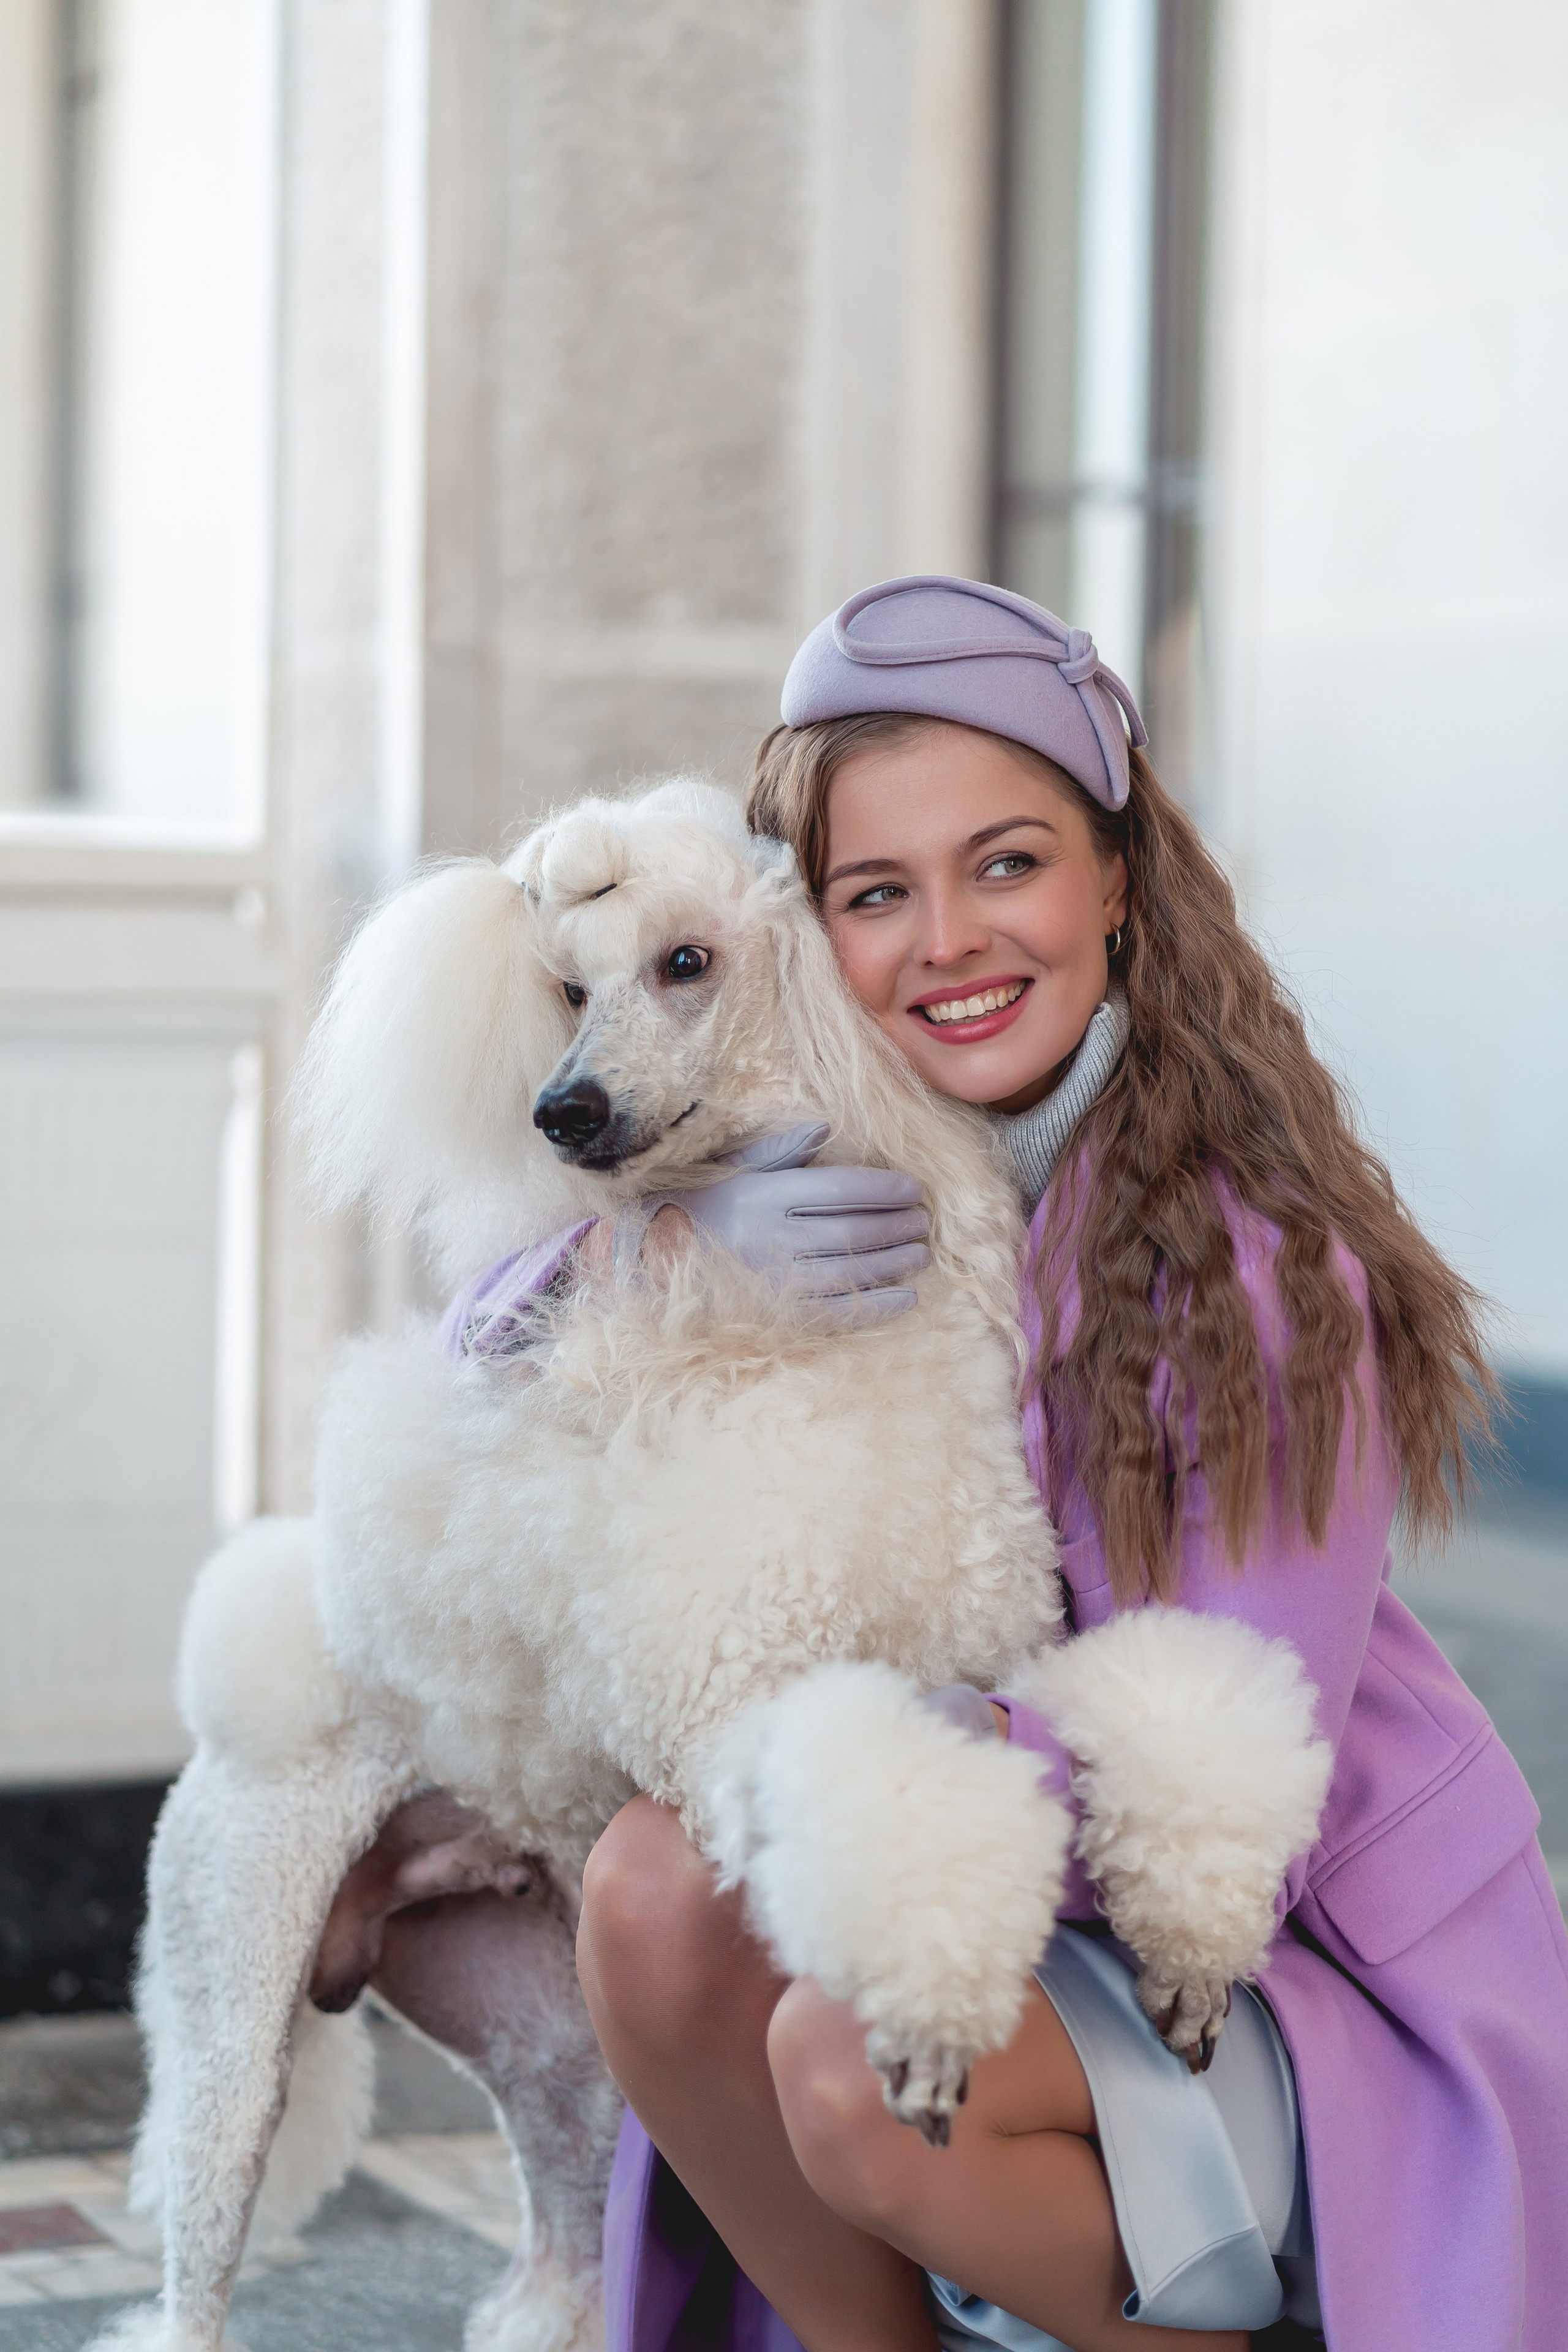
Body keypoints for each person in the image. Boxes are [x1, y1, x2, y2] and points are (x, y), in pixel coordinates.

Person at [366, 579, 1568, 2352]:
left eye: (1005, 865)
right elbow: (477, 1344)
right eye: (876, 891)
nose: (946, 938)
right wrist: (678, 1227)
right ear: (800, 928)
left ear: (1118, 883)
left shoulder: (1248, 1254)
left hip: (1273, 1955)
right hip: (963, 1836)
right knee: (647, 1883)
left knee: (850, 2055)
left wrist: (856, 1777)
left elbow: (1234, 1751)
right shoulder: (841, 1169)